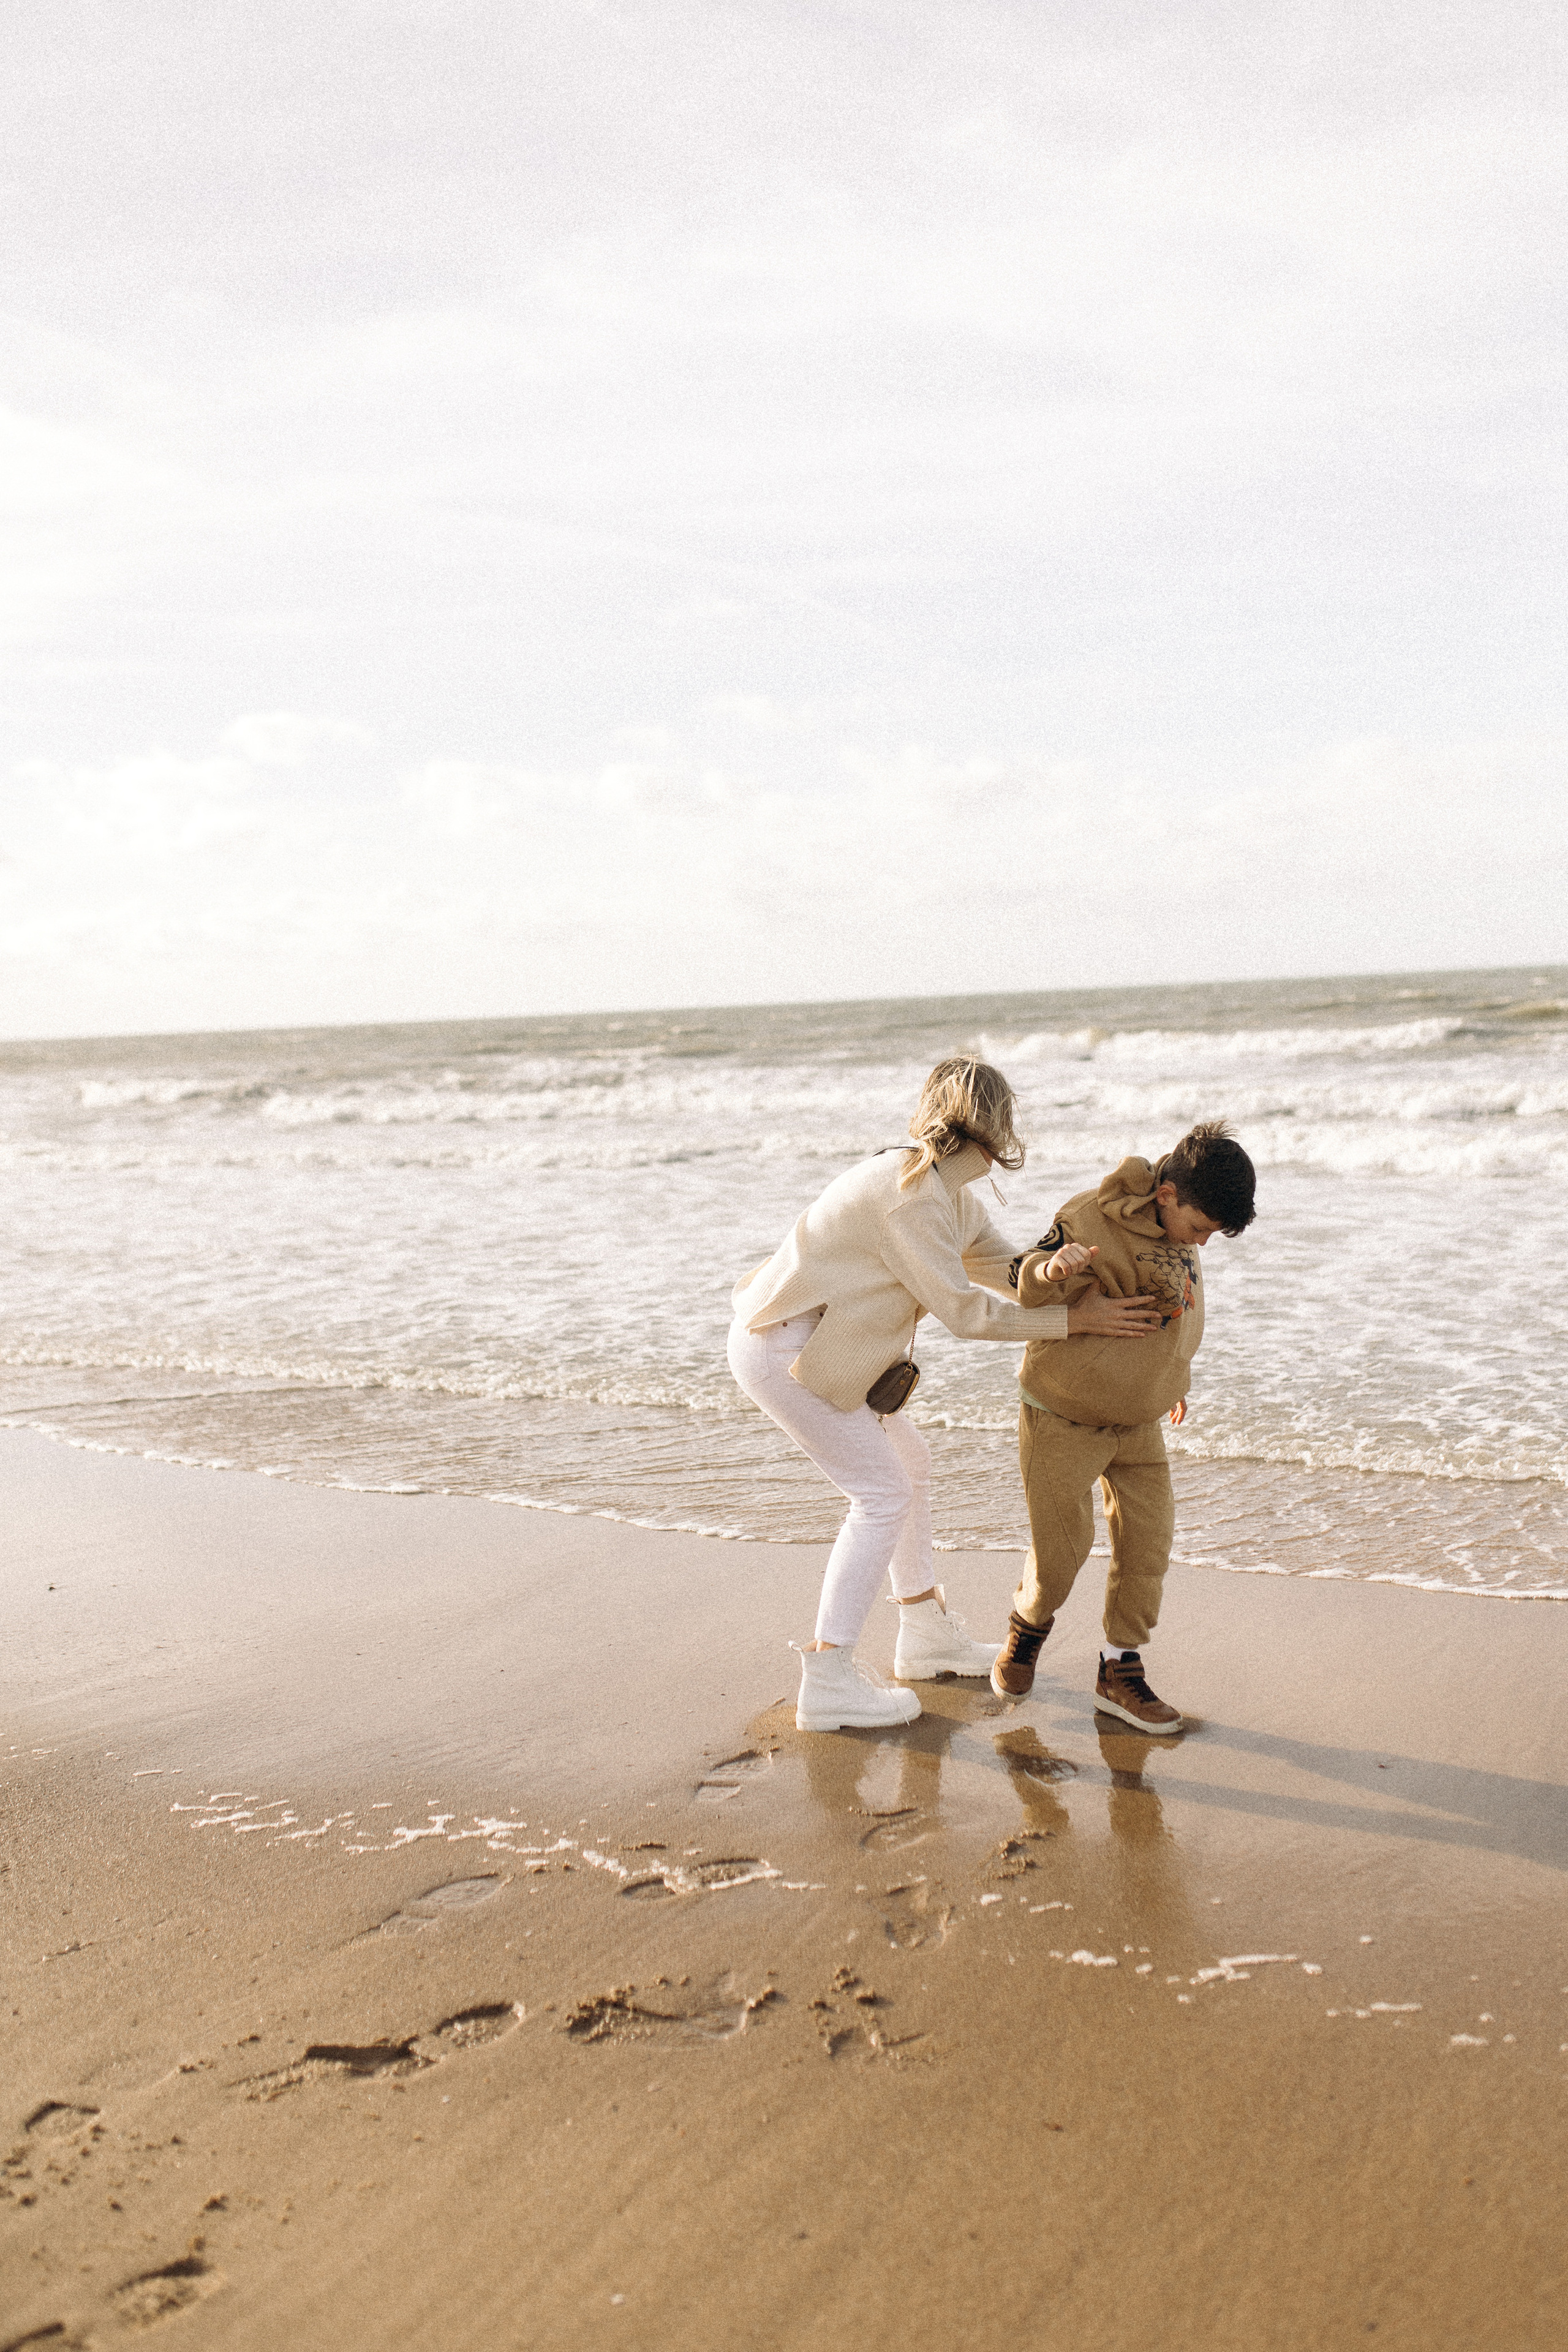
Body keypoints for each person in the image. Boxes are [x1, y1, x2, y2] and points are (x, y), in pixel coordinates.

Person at [728, 1058, 1161, 1733]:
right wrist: (1076, 1320)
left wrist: (1055, 1269)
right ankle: (829, 1677)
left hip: (822, 1349)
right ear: (997, 1127)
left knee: (911, 1467)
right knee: (880, 1494)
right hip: (784, 1352)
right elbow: (965, 1314)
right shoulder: (912, 1197)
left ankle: (924, 1634)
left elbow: (1008, 1272)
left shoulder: (945, 1192)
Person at [989, 1120, 1257, 1730]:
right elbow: (1026, 1280)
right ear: (1167, 1195)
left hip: (1138, 1423)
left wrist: (1174, 1379)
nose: (1203, 1244)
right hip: (1063, 1413)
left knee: (1147, 1547)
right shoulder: (1091, 1216)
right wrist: (1056, 1274)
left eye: (1213, 1234)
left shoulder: (1183, 1226)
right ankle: (1029, 1626)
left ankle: (1118, 1668)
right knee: (1062, 1554)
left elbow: (1181, 1309)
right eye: (1199, 1229)